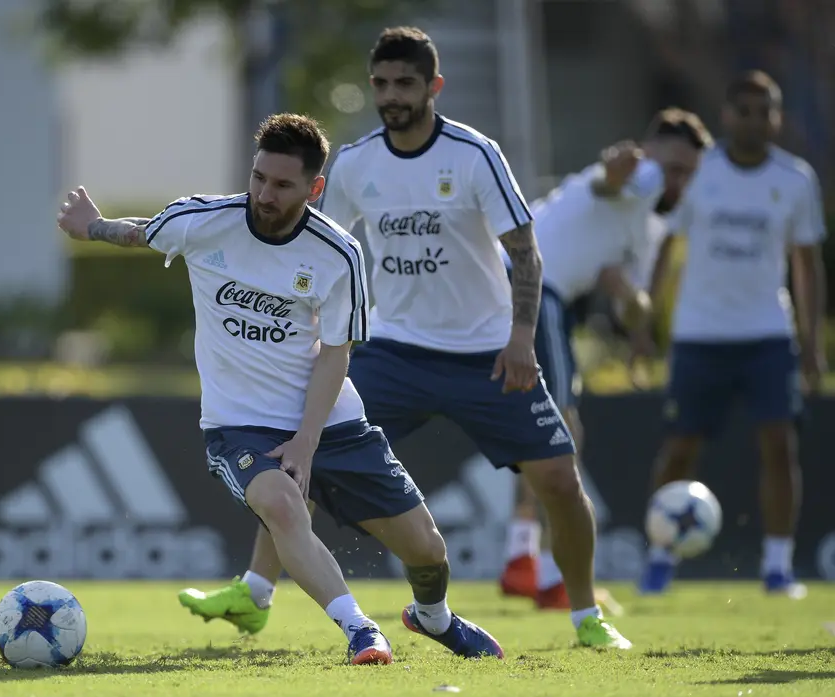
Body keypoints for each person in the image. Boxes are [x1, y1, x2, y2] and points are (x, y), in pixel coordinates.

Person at [180, 26, 631, 649]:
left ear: (433, 87)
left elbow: (525, 254)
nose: (391, 96)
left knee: (558, 477)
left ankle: (586, 616)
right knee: (298, 447)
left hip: (486, 354)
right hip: (393, 352)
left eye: (406, 84)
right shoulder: (357, 163)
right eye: (381, 84)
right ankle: (255, 594)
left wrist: (522, 336)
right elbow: (312, 251)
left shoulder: (475, 155)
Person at [56, 113, 504, 665]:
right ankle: (361, 630)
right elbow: (139, 232)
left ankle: (433, 618)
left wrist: (307, 440)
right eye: (259, 177)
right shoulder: (205, 219)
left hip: (332, 422)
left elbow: (336, 351)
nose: (265, 195)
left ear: (315, 188)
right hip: (238, 424)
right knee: (284, 508)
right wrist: (91, 225)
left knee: (428, 551)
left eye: (283, 184)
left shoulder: (338, 253)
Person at [499, 109, 713, 602]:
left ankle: (521, 556)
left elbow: (636, 313)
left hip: (525, 287)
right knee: (561, 430)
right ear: (648, 154)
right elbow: (611, 183)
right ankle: (555, 577)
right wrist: (619, 171)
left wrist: (625, 292)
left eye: (687, 173)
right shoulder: (637, 178)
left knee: (541, 427)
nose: (675, 180)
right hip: (532, 285)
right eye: (670, 167)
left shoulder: (648, 226)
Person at [639, 71, 828, 596]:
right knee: (679, 448)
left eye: (763, 110)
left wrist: (812, 344)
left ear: (777, 117)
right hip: (699, 335)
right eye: (742, 110)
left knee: (778, 445)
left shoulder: (795, 180)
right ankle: (658, 556)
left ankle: (777, 566)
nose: (752, 120)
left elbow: (808, 265)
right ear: (726, 116)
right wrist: (645, 322)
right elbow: (664, 247)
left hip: (768, 334)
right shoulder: (701, 173)